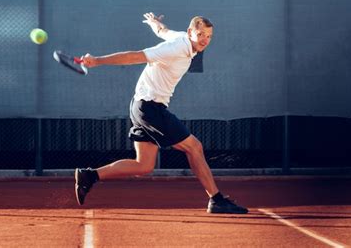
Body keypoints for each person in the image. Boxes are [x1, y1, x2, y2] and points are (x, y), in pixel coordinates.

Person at [75, 12, 248, 214]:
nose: (205, 40)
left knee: (144, 165)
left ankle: (90, 176)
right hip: (150, 108)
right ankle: (216, 199)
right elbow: (135, 56)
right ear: (190, 32)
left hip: (141, 105)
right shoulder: (176, 47)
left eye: (209, 36)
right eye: (201, 34)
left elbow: (162, 31)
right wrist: (97, 61)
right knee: (194, 147)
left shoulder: (181, 39)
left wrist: (154, 22)